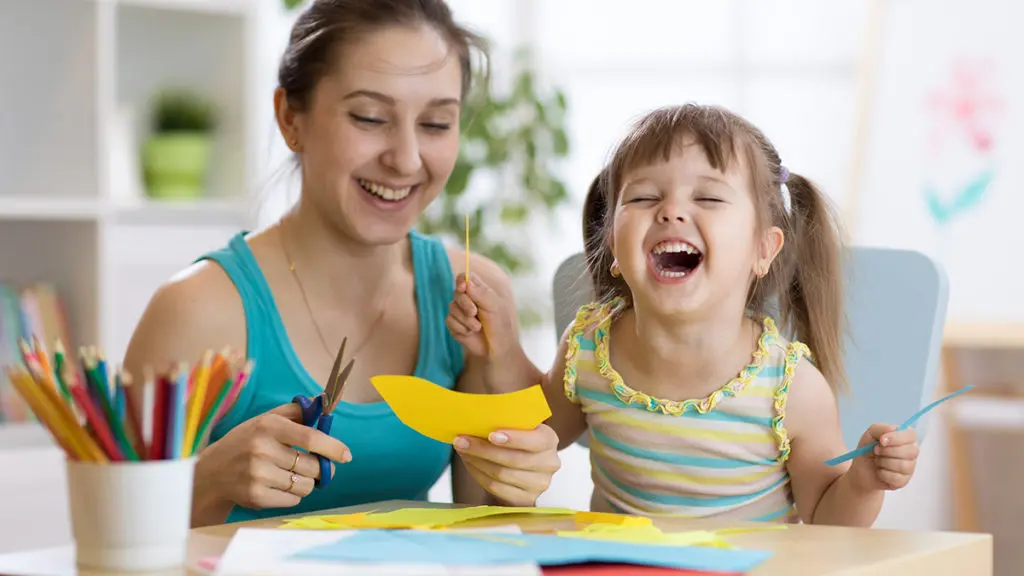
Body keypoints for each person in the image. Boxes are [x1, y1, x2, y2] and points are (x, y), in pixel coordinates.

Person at [123, 0, 560, 527]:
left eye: (437, 123)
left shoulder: (468, 292)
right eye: (370, 118)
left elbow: (488, 530)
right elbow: (111, 542)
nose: (406, 158)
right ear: (290, 118)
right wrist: (209, 478)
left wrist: (511, 443)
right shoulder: (198, 310)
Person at [449, 103, 921, 525]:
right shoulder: (590, 348)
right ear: (612, 243)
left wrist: (862, 482)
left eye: (709, 198)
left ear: (764, 248)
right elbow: (536, 432)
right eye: (644, 197)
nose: (671, 211)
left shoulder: (789, 387)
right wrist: (500, 347)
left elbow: (827, 519)